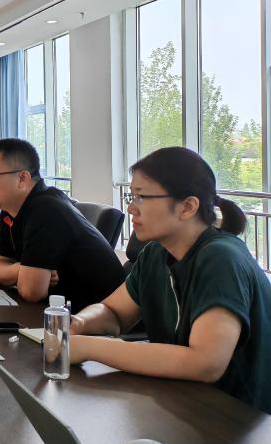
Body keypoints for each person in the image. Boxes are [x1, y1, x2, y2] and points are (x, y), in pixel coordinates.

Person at [69, 147, 271, 414]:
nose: (131, 207)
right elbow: (114, 313)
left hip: (241, 419)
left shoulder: (221, 259)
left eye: (141, 197)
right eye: (132, 196)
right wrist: (80, 322)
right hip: (184, 403)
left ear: (188, 207)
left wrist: (90, 348)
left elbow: (205, 363)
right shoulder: (155, 253)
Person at [0, 138, 124, 312]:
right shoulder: (10, 210)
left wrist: (19, 274)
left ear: (22, 178)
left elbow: (31, 291)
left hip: (95, 316)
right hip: (56, 312)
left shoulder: (47, 209)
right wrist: (20, 269)